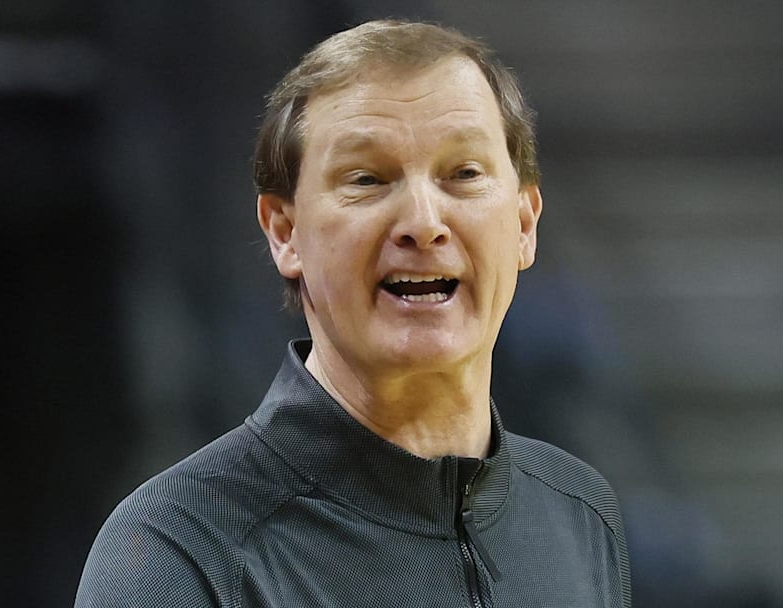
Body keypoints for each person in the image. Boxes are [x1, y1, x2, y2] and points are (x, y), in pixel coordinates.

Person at [76, 19, 631, 607]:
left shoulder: (581, 512)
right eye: (367, 179)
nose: (423, 222)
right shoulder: (175, 550)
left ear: (524, 223)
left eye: (463, 174)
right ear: (285, 233)